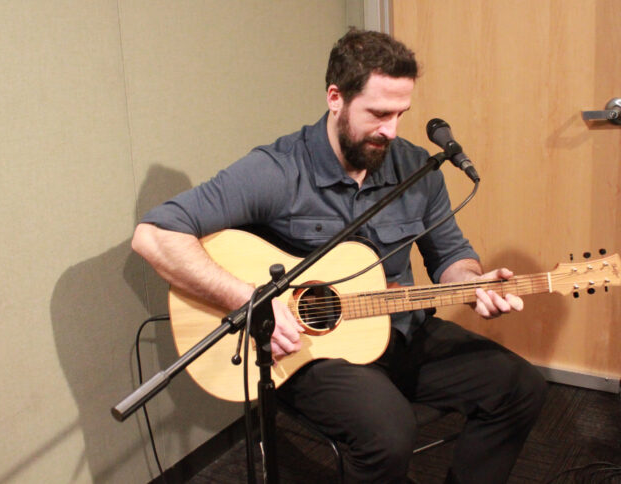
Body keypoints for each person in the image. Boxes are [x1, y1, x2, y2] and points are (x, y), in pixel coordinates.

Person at [132, 28, 546, 483]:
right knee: (387, 433)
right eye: (379, 113)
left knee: (520, 386)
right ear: (336, 97)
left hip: (401, 332)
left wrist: (474, 285)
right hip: (310, 350)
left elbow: (452, 257)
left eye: (401, 113)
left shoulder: (419, 169)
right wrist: (246, 298)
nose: (391, 129)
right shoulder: (278, 169)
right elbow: (154, 235)